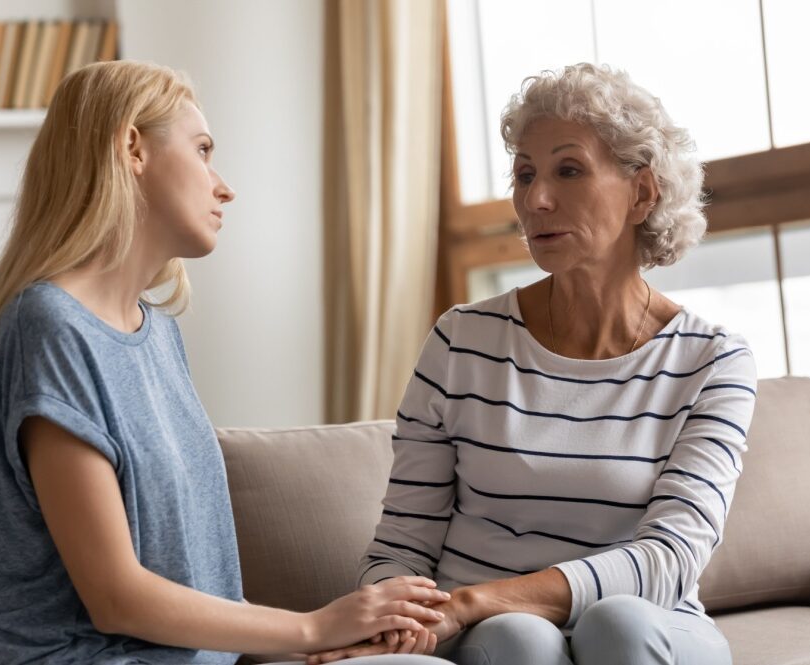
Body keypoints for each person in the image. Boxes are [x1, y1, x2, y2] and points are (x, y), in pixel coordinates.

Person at [0, 60, 454, 665]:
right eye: (203, 150)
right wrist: (316, 628)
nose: (224, 185)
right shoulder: (49, 327)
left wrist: (311, 648)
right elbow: (115, 598)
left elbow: (193, 596)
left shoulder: (159, 336)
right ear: (132, 147)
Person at [309, 63, 757, 665]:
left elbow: (670, 556)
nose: (535, 199)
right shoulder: (462, 340)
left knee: (618, 624)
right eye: (525, 174)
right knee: (519, 637)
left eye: (568, 170)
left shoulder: (713, 360)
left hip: (648, 624)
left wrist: (475, 601)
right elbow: (403, 542)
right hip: (491, 636)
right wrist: (398, 613)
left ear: (643, 192)